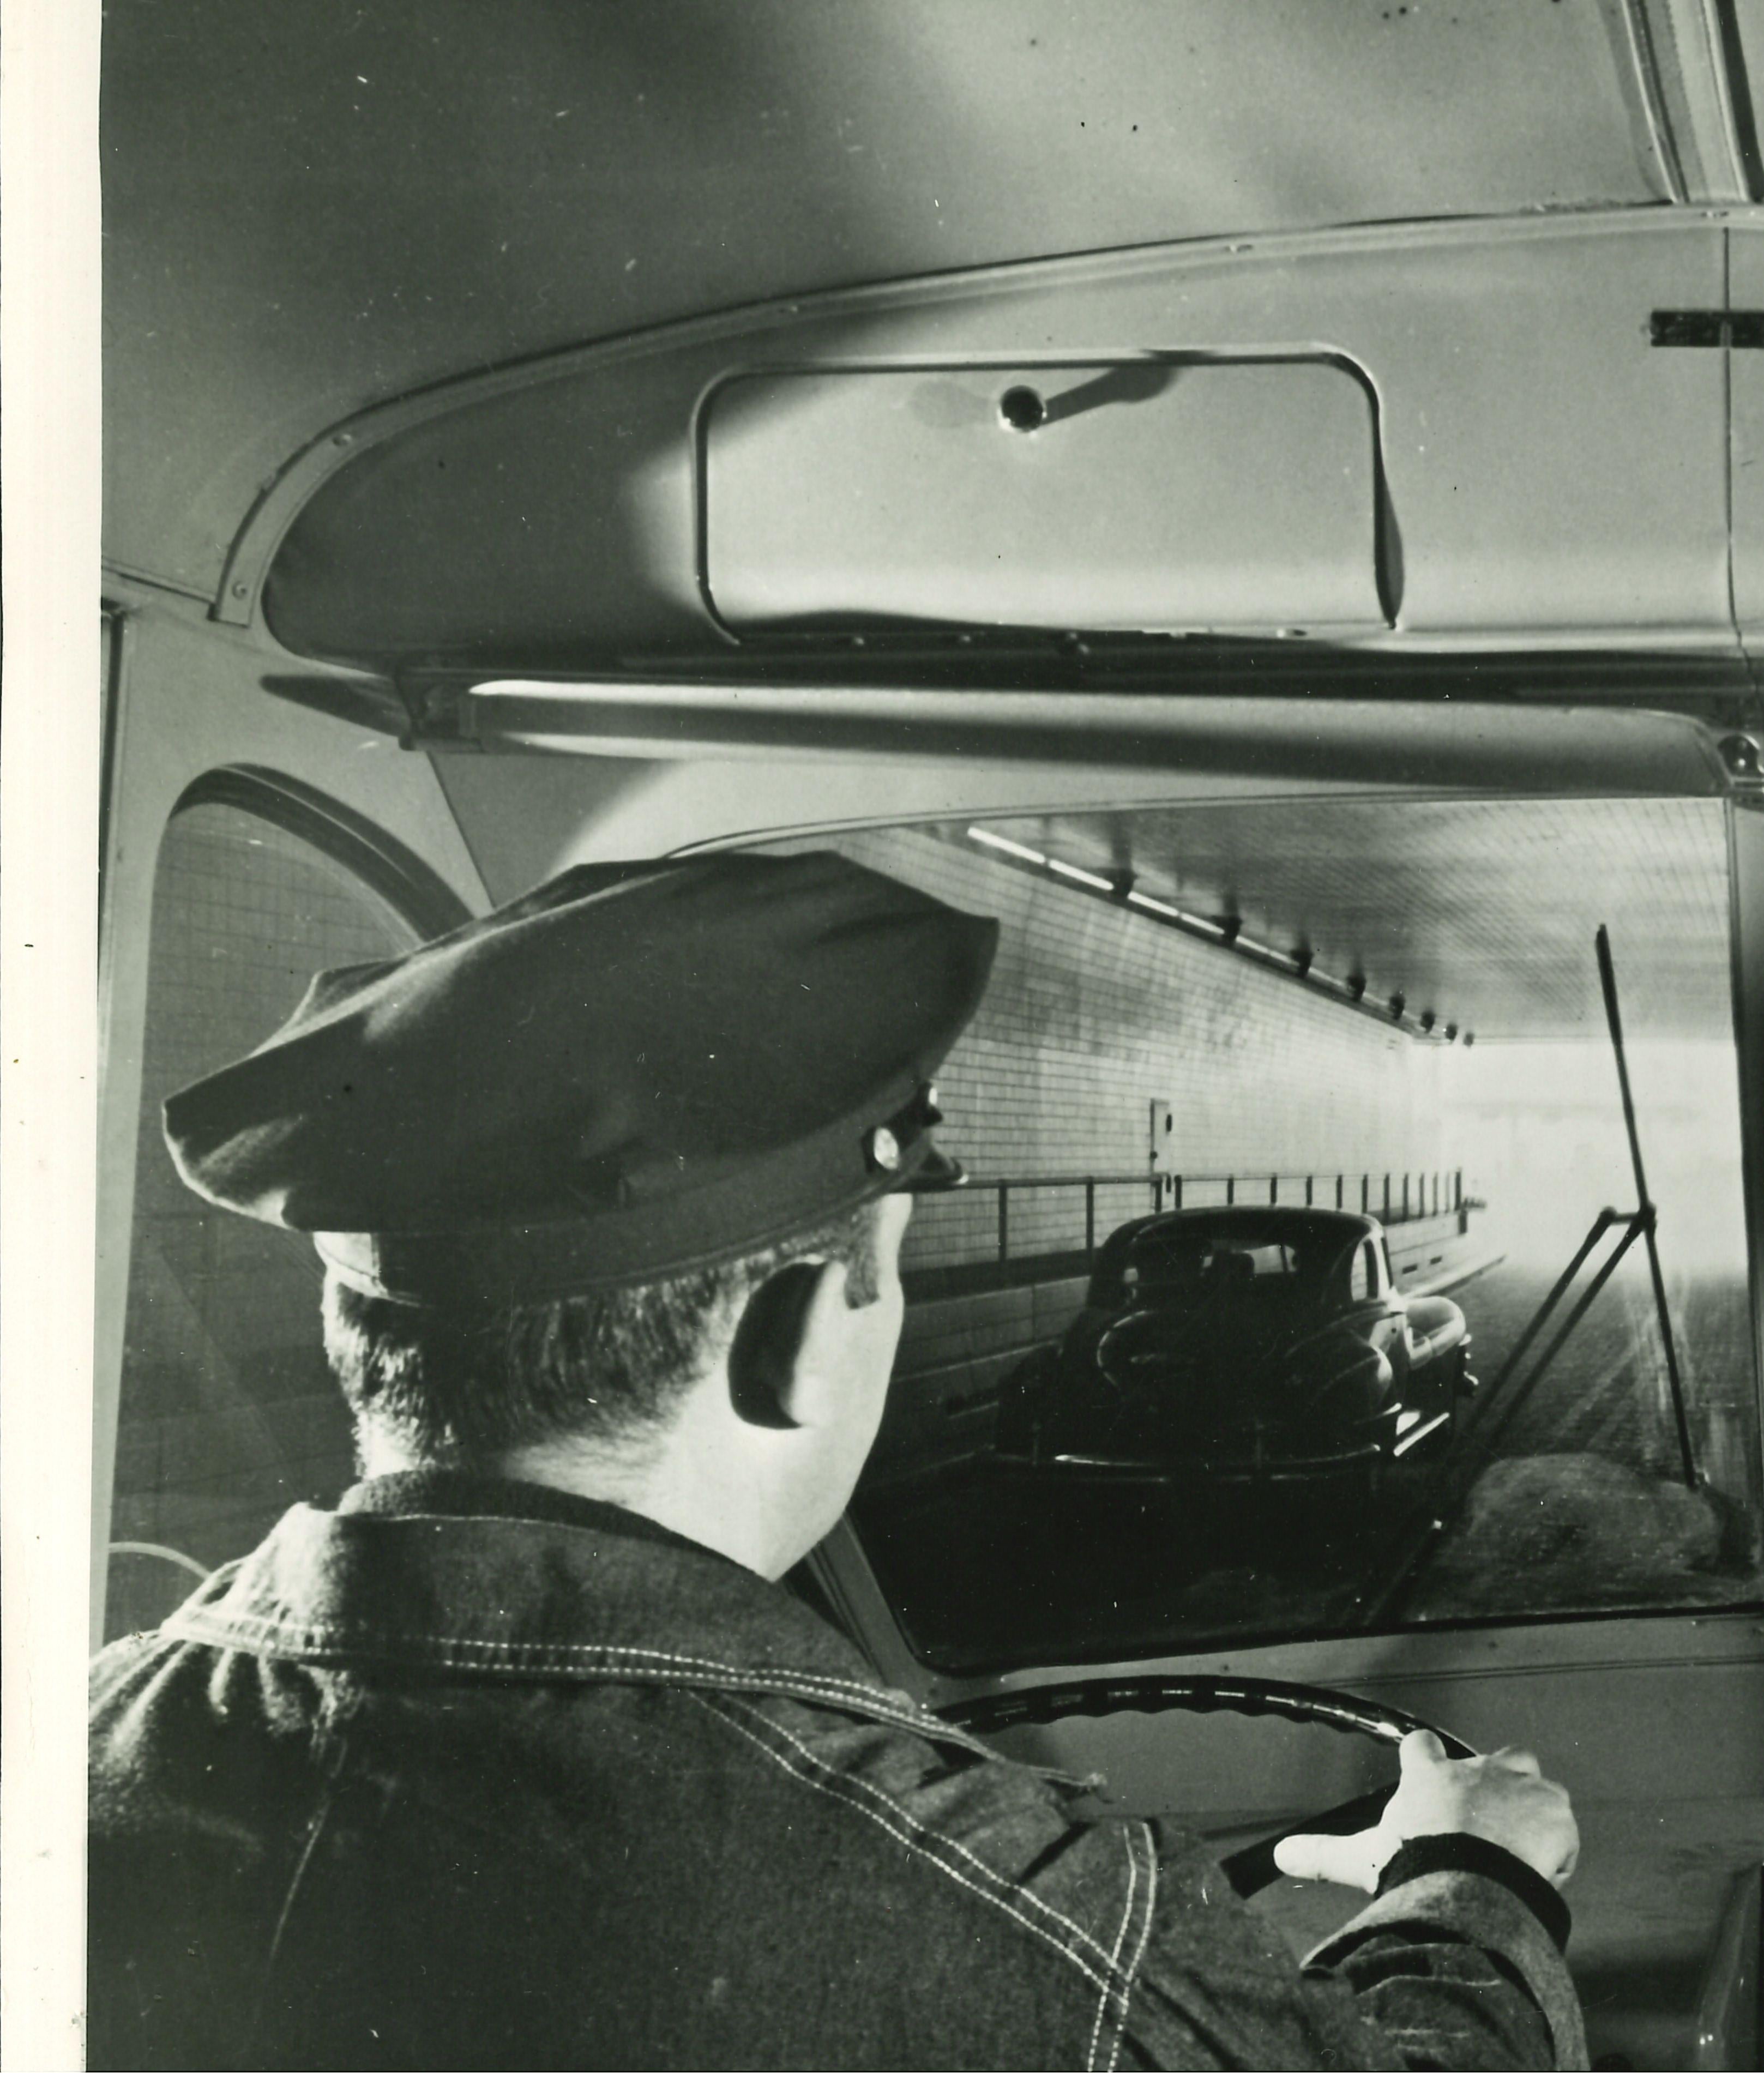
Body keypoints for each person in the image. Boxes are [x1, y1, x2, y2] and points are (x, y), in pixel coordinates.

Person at [88, 852, 1586, 2070]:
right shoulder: (1013, 1927)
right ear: (802, 1337)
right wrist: (1479, 1885)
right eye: (896, 1264)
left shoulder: (85, 1752)